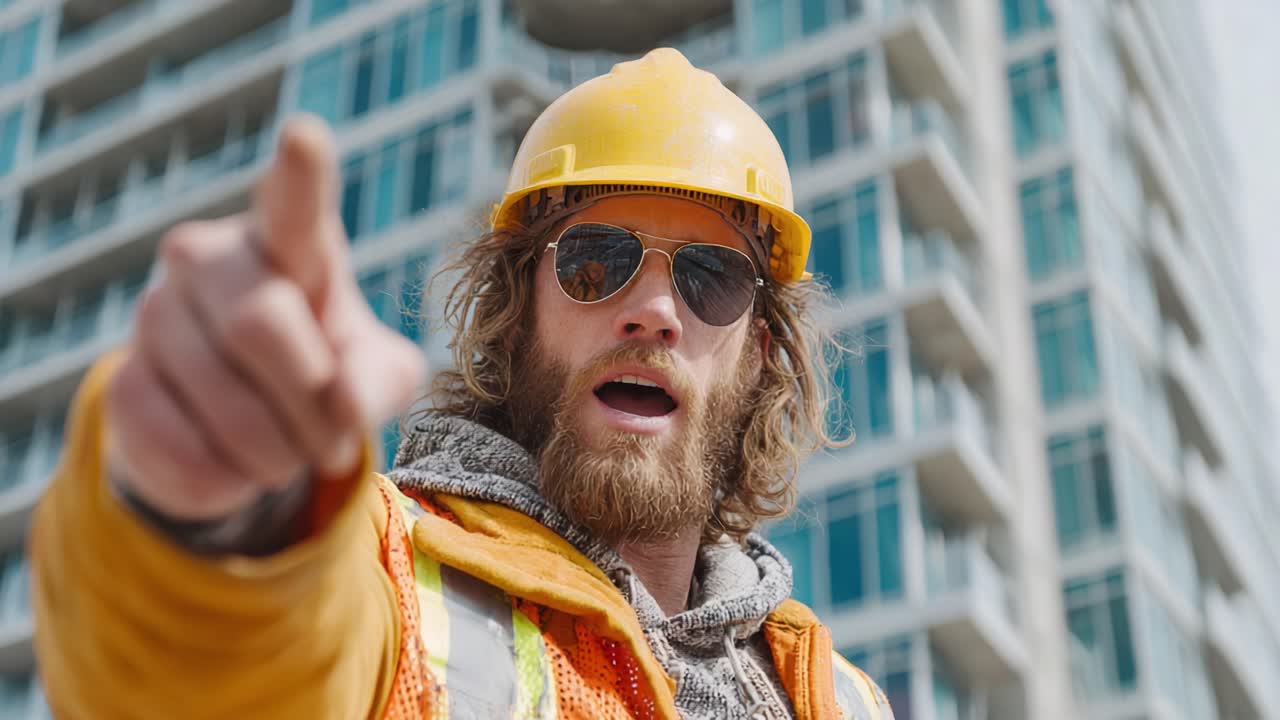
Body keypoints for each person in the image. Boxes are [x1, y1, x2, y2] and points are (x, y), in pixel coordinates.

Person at [30, 48, 895, 720]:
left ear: (760, 355)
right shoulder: (379, 571)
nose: (654, 312)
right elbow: (214, 674)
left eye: (713, 278)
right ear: (516, 317)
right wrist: (214, 521)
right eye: (596, 262)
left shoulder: (847, 700)